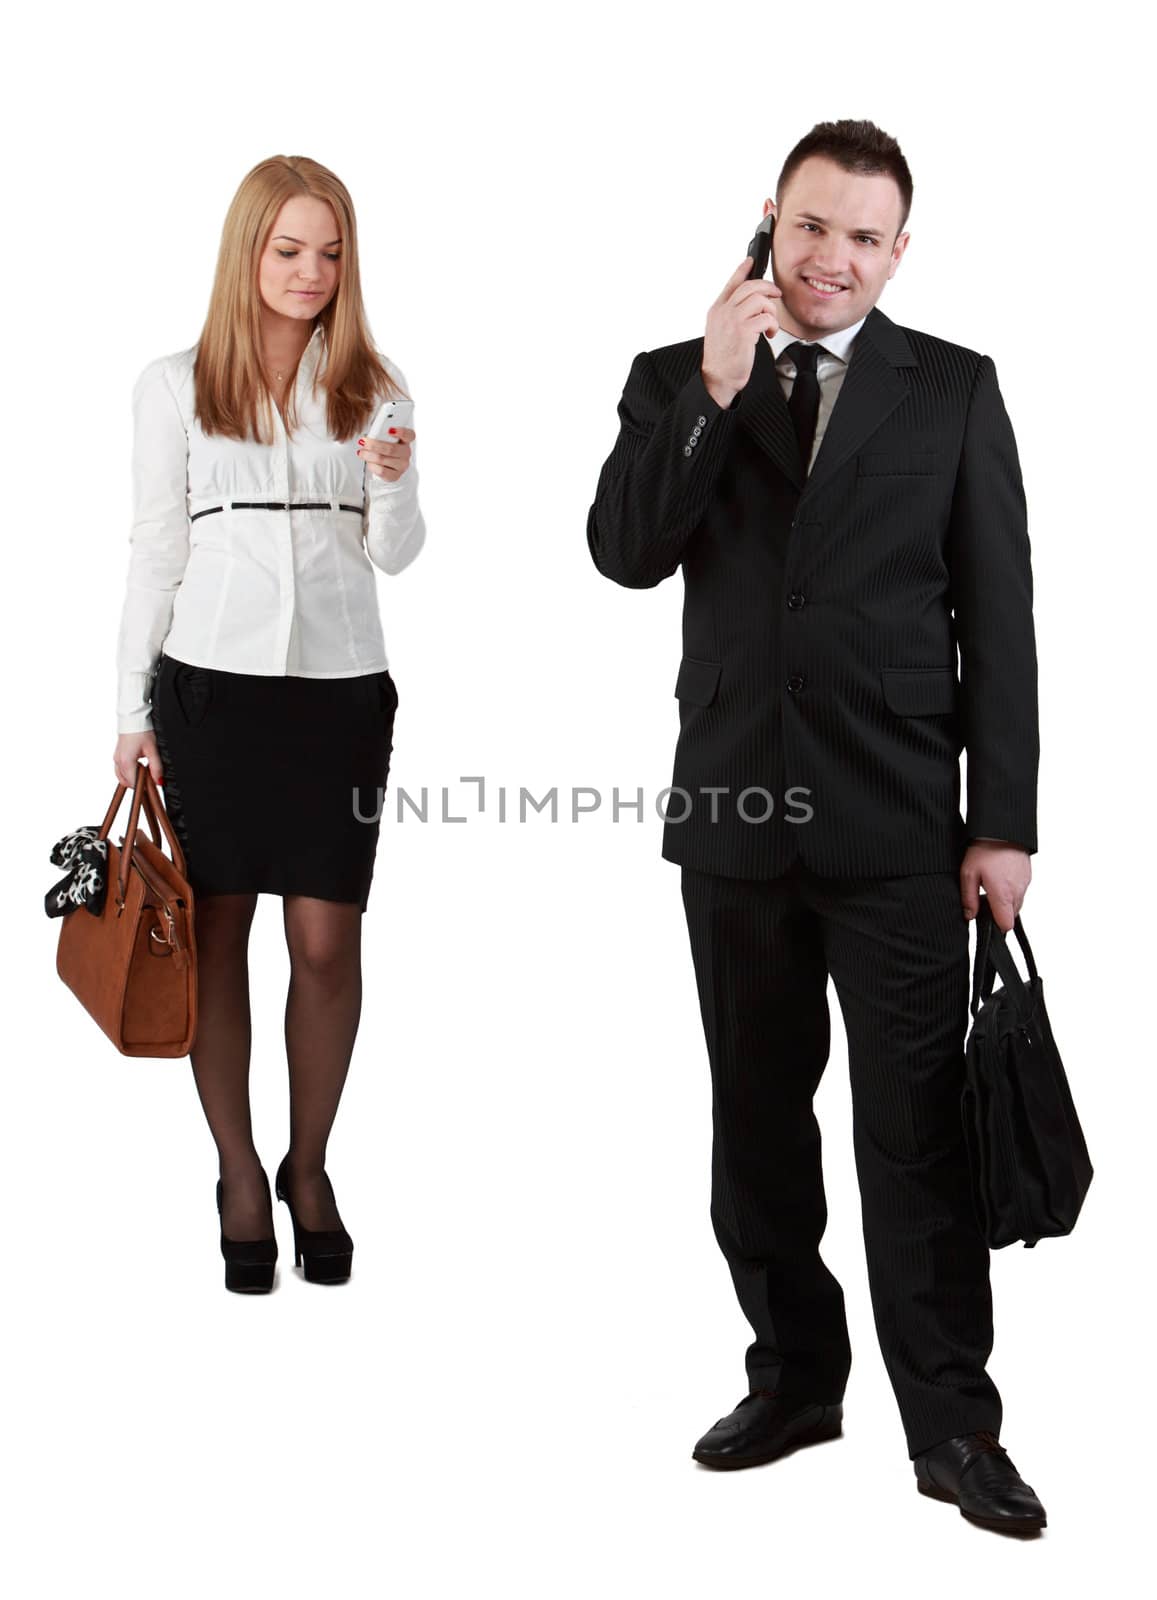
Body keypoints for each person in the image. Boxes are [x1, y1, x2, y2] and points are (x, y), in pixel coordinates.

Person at [586, 119, 1048, 1536]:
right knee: (756, 1123)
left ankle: (953, 1427)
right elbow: (623, 551)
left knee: (913, 1133)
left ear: (897, 252)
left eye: (863, 236)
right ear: (767, 225)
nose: (832, 257)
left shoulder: (951, 392)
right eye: (811, 227)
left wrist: (1003, 821)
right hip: (733, 809)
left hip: (904, 822)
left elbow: (1000, 622)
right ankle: (793, 1378)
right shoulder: (680, 378)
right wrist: (715, 391)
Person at [113, 154, 425, 1294]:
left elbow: (392, 550)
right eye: (289, 249)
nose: (310, 272)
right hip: (210, 693)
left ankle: (311, 1165)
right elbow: (155, 550)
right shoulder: (174, 383)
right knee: (215, 933)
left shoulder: (374, 383)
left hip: (341, 692)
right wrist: (129, 712)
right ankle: (239, 1170)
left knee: (325, 940)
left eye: (330, 251)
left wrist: (391, 477)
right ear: (248, 251)